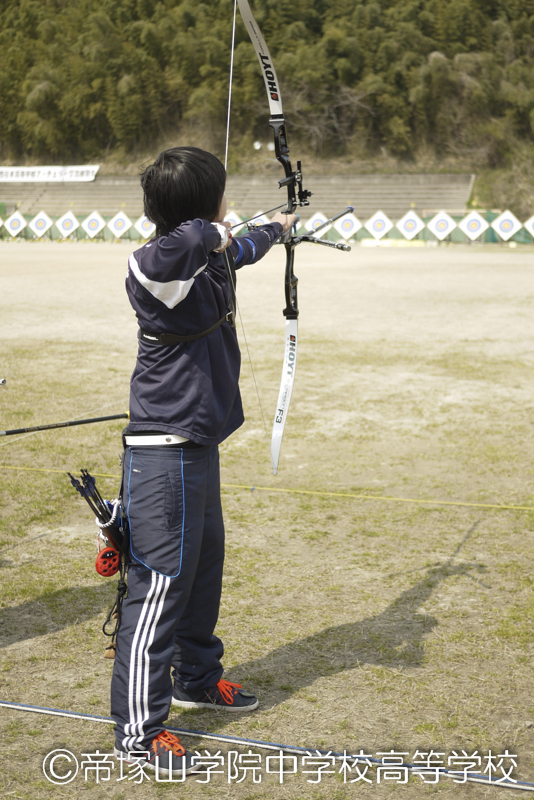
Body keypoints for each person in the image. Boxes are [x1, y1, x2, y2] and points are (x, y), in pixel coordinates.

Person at [110, 146, 297, 778]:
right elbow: (180, 248)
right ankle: (139, 730)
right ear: (199, 209)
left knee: (202, 570)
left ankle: (195, 675)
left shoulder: (206, 253)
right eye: (220, 195)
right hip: (162, 454)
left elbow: (236, 249)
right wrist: (215, 226)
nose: (228, 207)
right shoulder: (156, 264)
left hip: (197, 445)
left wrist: (276, 228)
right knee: (160, 585)